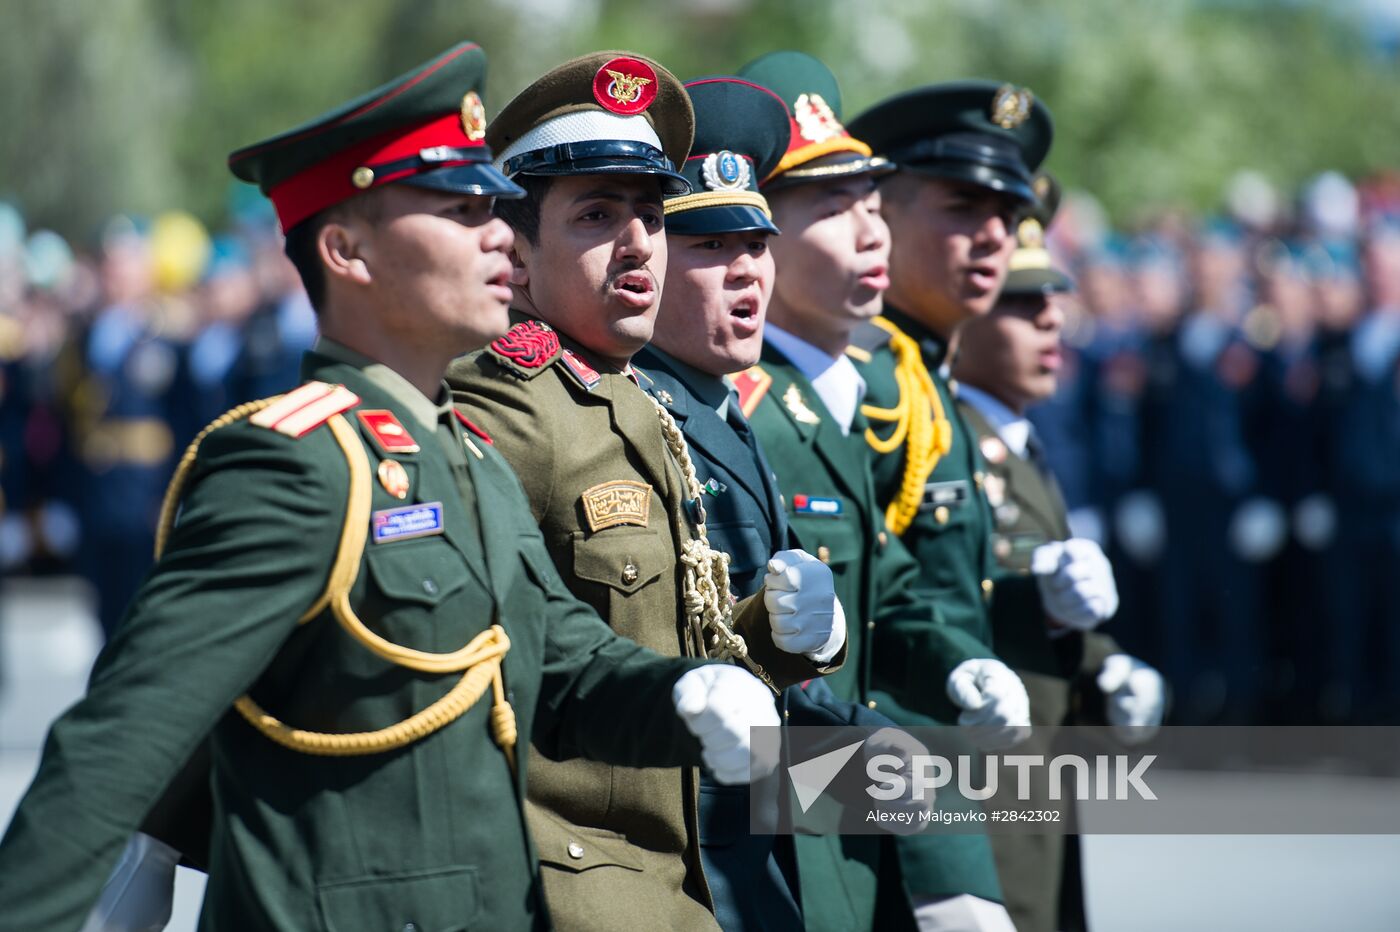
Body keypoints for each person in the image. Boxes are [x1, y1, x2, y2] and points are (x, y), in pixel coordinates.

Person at [0, 42, 780, 930]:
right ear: (347, 250)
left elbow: (563, 668)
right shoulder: (293, 466)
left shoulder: (464, 454)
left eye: (496, 205)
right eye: (459, 209)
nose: (499, 232)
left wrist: (682, 695)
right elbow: (123, 739)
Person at [445, 52, 844, 932]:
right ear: (517, 246)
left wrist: (770, 639)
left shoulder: (628, 398)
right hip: (563, 892)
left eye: (652, 216)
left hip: (676, 887)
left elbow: (676, 648)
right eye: (596, 215)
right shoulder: (505, 405)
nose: (637, 245)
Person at [734, 51, 1021, 932]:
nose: (870, 232)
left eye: (871, 201)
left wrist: (958, 663)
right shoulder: (748, 411)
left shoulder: (861, 386)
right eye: (831, 206)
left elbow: (889, 597)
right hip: (794, 820)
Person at [951, 177, 1166, 931]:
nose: (1052, 320)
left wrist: (1105, 667)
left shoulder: (1019, 439)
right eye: (1022, 303)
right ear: (962, 318)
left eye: (1055, 300)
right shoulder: (948, 444)